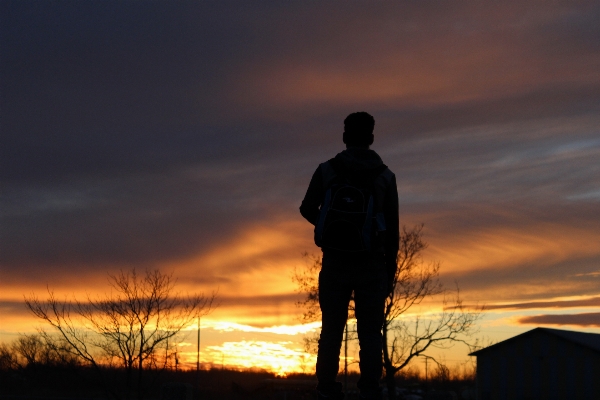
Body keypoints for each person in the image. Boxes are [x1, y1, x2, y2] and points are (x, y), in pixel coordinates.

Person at [300, 112, 399, 400]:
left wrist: (328, 228)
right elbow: (392, 230)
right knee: (370, 333)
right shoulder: (385, 177)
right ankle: (369, 390)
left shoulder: (327, 170)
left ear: (345, 137)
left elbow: (307, 208)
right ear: (370, 138)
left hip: (334, 262)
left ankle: (326, 389)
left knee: (331, 329)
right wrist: (389, 271)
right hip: (371, 265)